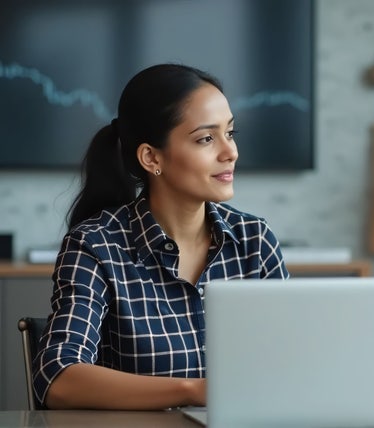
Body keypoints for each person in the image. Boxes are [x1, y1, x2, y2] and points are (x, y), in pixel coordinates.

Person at [33, 64, 289, 410]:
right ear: (152, 157)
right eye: (206, 138)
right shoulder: (95, 246)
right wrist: (194, 391)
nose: (231, 152)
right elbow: (58, 379)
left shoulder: (255, 240)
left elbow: (292, 362)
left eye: (230, 132)